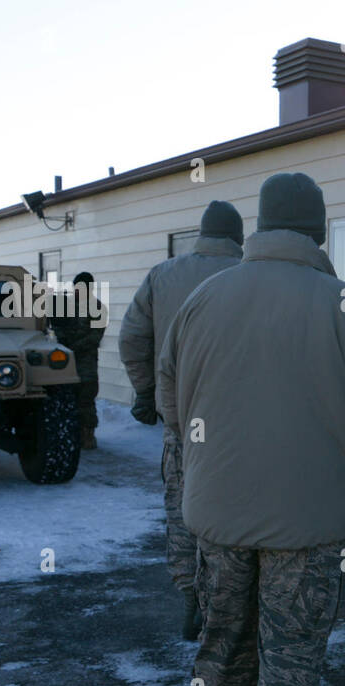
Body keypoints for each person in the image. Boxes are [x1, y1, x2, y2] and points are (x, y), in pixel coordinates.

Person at [156, 172, 345, 686]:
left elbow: (174, 411)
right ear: (318, 231)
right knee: (290, 650)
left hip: (216, 509)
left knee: (223, 634)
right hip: (307, 514)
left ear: (260, 228)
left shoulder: (203, 297)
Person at [120, 200, 243, 642]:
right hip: (236, 424)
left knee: (181, 508)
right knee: (228, 512)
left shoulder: (163, 275)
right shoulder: (248, 274)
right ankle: (224, 600)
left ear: (202, 233)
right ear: (238, 236)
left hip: (181, 420)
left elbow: (133, 338)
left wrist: (146, 391)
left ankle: (189, 597)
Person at [50, 272, 106, 450]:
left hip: (85, 361)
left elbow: (95, 336)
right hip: (64, 361)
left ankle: (87, 435)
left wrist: (73, 346)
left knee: (86, 398)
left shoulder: (97, 308)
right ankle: (67, 434)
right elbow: (55, 327)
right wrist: (63, 342)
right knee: (64, 397)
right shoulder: (62, 304)